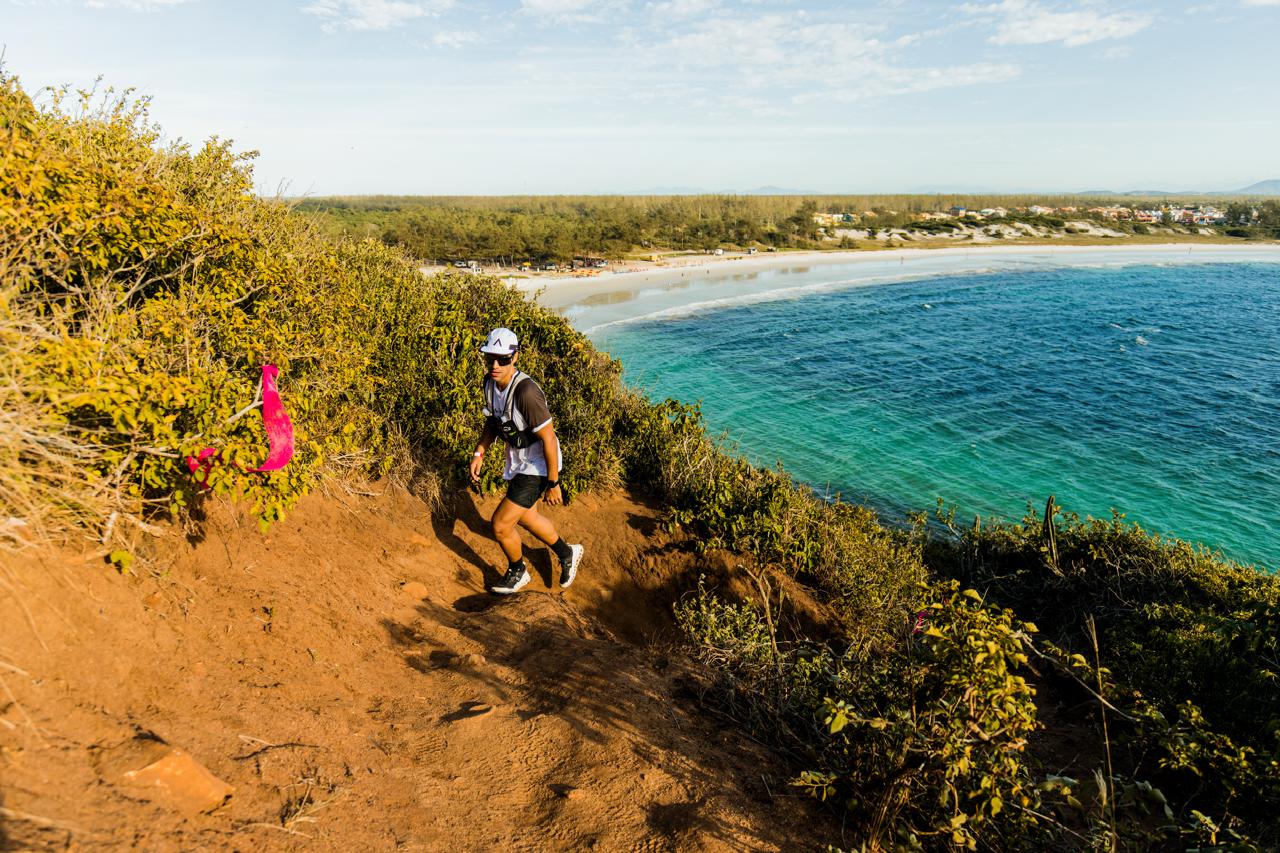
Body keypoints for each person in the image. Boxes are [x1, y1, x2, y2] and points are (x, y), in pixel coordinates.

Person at [468, 328, 583, 594]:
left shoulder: (526, 392)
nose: (495, 365)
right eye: (490, 358)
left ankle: (518, 571)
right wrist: (480, 452)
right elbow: (493, 422)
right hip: (517, 460)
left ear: (515, 357)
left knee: (500, 524)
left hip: (538, 464)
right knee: (527, 517)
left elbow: (549, 439)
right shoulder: (489, 383)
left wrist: (553, 482)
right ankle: (567, 553)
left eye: (503, 359)